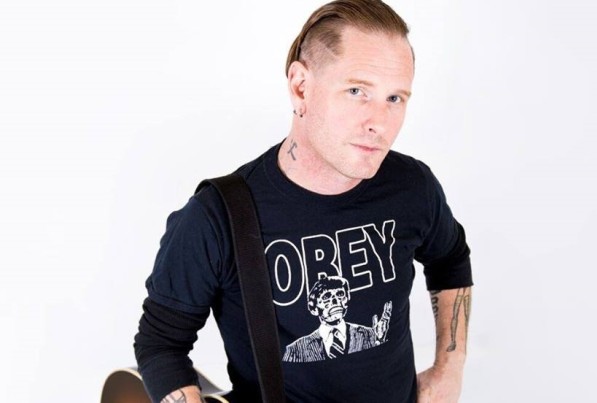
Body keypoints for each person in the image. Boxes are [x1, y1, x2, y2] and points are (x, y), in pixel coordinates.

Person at [134, 0, 473, 402]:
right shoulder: (219, 216)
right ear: (300, 86)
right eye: (357, 91)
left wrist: (449, 369)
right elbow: (161, 345)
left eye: (395, 98)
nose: (379, 123)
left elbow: (450, 259)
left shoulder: (412, 186)